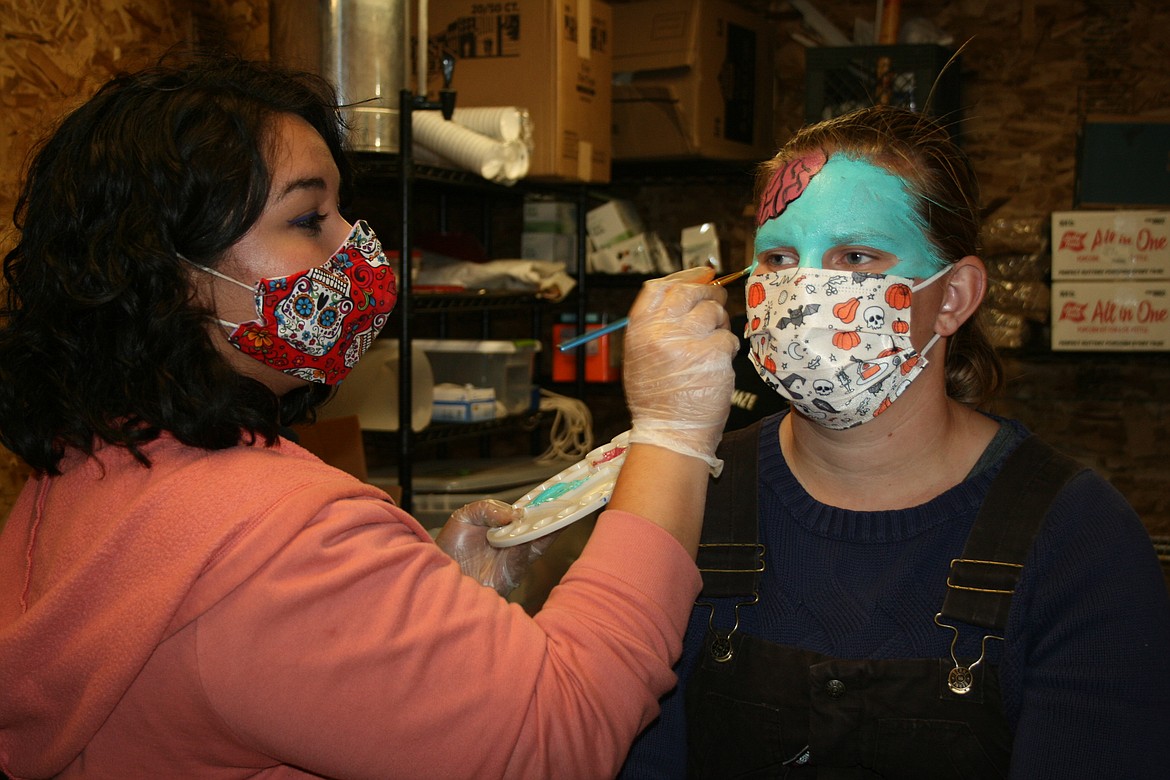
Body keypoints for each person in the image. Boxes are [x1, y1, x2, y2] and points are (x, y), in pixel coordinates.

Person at [0, 53, 741, 778]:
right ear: (173, 276)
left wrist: (403, 619)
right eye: (308, 218)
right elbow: (560, 736)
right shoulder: (276, 541)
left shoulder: (83, 470)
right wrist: (673, 437)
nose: (357, 248)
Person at [620, 105, 1170, 778]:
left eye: (856, 257)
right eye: (779, 257)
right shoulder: (685, 495)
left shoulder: (1079, 539)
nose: (804, 291)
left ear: (953, 296)